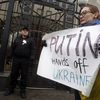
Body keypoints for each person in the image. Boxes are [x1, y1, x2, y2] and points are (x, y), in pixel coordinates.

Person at [4, 27, 34, 99]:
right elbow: (12, 48)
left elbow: (33, 49)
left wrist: (32, 58)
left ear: (28, 32)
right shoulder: (17, 39)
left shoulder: (31, 40)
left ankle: (22, 91)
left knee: (24, 76)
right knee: (14, 74)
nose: (25, 32)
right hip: (16, 60)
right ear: (21, 32)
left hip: (25, 61)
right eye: (24, 31)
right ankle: (11, 89)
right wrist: (9, 57)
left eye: (26, 31)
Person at [78, 4, 100, 100]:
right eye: (80, 14)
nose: (81, 16)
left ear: (95, 14)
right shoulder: (77, 33)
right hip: (78, 80)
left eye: (84, 13)